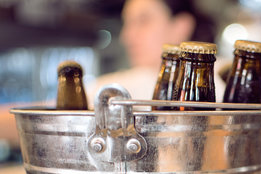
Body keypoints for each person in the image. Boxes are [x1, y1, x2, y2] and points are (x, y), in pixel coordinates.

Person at [87, 0, 218, 105]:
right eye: (126, 23)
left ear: (181, 27)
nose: (126, 36)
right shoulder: (119, 84)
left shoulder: (217, 87)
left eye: (143, 21)